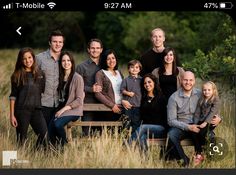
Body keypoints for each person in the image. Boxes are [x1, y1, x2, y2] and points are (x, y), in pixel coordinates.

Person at [166, 71, 222, 167]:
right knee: (171, 135)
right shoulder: (173, 98)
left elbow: (213, 109)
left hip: (199, 125)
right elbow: (171, 121)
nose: (188, 82)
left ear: (194, 81)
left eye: (191, 80)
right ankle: (185, 162)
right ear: (180, 80)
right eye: (185, 80)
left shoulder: (202, 93)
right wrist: (188, 127)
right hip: (182, 126)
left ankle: (206, 161)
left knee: (210, 136)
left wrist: (220, 119)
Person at [9, 47, 47, 149]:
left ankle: (34, 153)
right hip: (22, 111)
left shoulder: (40, 74)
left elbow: (41, 91)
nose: (27, 61)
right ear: (21, 60)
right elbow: (13, 96)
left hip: (37, 110)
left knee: (44, 135)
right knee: (21, 140)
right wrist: (12, 115)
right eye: (24, 58)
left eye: (29, 57)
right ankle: (19, 161)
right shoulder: (16, 75)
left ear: (33, 58)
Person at [48, 51, 84, 147]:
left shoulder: (77, 78)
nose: (66, 63)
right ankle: (56, 150)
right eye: (63, 60)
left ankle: (65, 144)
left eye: (68, 60)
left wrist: (63, 109)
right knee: (50, 128)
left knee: (58, 124)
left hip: (73, 110)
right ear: (61, 63)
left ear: (72, 62)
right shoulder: (59, 77)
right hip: (60, 108)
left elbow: (79, 100)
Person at [129, 73, 167, 153]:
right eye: (145, 83)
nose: (147, 84)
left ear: (154, 83)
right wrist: (123, 101)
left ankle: (125, 147)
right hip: (146, 130)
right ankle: (145, 161)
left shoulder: (161, 98)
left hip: (160, 129)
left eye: (149, 82)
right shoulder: (143, 98)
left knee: (143, 127)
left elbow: (165, 116)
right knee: (142, 136)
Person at [36, 29, 65, 126]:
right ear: (49, 43)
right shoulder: (39, 58)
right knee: (44, 135)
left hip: (60, 103)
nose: (58, 44)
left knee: (55, 136)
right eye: (55, 42)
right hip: (42, 102)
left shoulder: (65, 59)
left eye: (60, 42)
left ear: (63, 44)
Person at [76, 38, 103, 136]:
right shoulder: (81, 67)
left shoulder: (106, 65)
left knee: (102, 134)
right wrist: (91, 89)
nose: (95, 50)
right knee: (86, 134)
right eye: (92, 48)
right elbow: (76, 86)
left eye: (97, 48)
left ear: (101, 50)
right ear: (88, 49)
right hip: (88, 105)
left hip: (104, 105)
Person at [192, 81, 221, 166]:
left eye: (209, 90)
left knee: (202, 133)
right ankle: (198, 153)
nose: (206, 92)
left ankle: (204, 153)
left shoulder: (216, 100)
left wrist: (205, 123)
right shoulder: (201, 99)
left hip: (210, 121)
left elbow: (212, 113)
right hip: (201, 120)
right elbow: (197, 112)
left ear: (213, 91)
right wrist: (195, 123)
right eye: (204, 90)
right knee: (194, 132)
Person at [95, 49, 124, 121]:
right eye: (108, 59)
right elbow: (98, 94)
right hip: (109, 109)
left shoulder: (119, 72)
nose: (111, 61)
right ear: (105, 61)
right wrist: (112, 105)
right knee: (109, 131)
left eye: (113, 58)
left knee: (122, 131)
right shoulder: (100, 73)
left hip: (122, 107)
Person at [120, 60, 142, 134]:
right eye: (132, 67)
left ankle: (134, 139)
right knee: (126, 123)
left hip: (138, 106)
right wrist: (128, 93)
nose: (134, 69)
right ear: (129, 69)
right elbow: (122, 90)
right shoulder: (126, 80)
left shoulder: (141, 80)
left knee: (136, 123)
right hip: (128, 106)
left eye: (136, 67)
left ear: (139, 69)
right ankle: (125, 139)